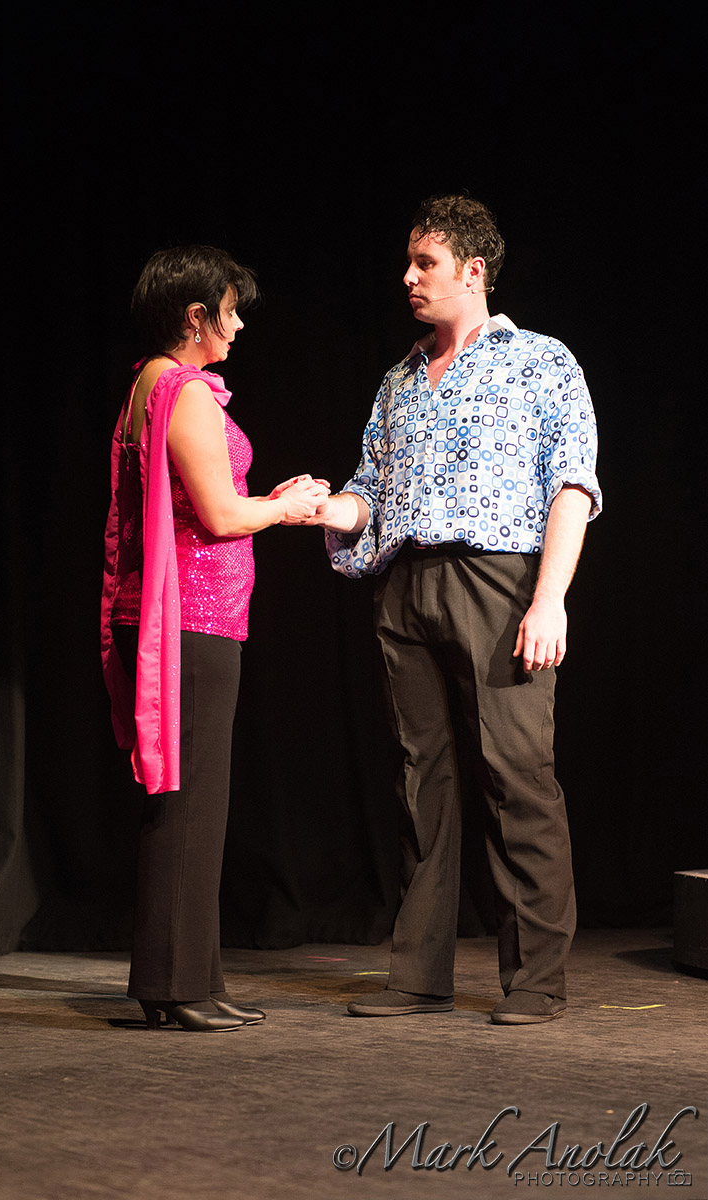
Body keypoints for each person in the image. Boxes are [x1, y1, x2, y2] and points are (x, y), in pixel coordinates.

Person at [308, 195, 601, 1025]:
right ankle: (417, 974)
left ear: (472, 271)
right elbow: (370, 489)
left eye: (424, 263)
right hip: (407, 583)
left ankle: (536, 979)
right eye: (408, 262)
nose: (407, 277)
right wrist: (325, 507)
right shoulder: (398, 379)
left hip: (498, 582)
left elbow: (571, 485)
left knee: (516, 776)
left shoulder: (539, 360)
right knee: (420, 781)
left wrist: (549, 600)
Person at [101, 245, 327, 1032]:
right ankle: (175, 985)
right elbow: (222, 516)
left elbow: (206, 503)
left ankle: (190, 978)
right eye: (228, 312)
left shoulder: (150, 382)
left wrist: (269, 499)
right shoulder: (185, 391)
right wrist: (287, 508)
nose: (237, 327)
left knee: (190, 799)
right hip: (189, 618)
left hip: (183, 615)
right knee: (189, 802)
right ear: (194, 316)